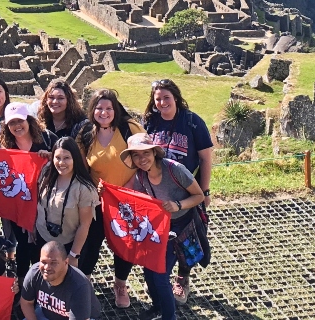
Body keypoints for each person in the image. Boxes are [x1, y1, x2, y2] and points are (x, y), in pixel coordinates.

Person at [119, 133, 206, 320]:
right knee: (148, 272)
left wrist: (178, 205)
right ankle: (158, 306)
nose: (142, 159)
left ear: (154, 152)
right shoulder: (140, 176)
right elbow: (131, 200)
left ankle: (169, 316)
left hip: (180, 228)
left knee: (159, 275)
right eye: (136, 155)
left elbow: (199, 195)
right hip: (159, 229)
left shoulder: (175, 170)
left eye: (145, 153)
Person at [73, 88, 146, 309]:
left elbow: (146, 158)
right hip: (98, 200)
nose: (103, 112)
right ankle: (83, 283)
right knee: (91, 242)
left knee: (125, 243)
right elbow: (82, 169)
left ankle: (120, 284)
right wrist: (92, 192)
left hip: (127, 198)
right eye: (99, 108)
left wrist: (128, 189)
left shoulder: (129, 128)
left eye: (108, 108)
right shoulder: (86, 133)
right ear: (92, 110)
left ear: (115, 109)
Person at [143, 79, 214, 301]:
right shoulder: (151, 122)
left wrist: (205, 191)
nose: (163, 102)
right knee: (159, 239)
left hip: (186, 191)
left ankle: (183, 279)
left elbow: (205, 158)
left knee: (187, 239)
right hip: (156, 194)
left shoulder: (192, 122)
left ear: (175, 97)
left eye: (166, 97)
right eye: (158, 99)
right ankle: (159, 280)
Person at [0, 102, 57, 286]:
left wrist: (50, 157)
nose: (17, 126)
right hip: (19, 204)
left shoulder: (47, 139)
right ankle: (25, 285)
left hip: (44, 204)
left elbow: (64, 161)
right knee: (23, 244)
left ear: (29, 120)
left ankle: (43, 283)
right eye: (12, 122)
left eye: (20, 121)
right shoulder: (6, 146)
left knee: (40, 244)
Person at [34, 137, 98, 273]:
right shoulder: (46, 172)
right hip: (42, 238)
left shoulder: (84, 188)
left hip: (67, 245)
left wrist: (73, 255)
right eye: (57, 157)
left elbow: (84, 225)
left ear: (75, 159)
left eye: (67, 158)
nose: (61, 163)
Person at [20, 241, 102, 320]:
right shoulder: (35, 272)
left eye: (53, 262)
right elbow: (26, 303)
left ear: (66, 262)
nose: (47, 267)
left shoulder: (79, 285)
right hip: (45, 313)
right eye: (44, 262)